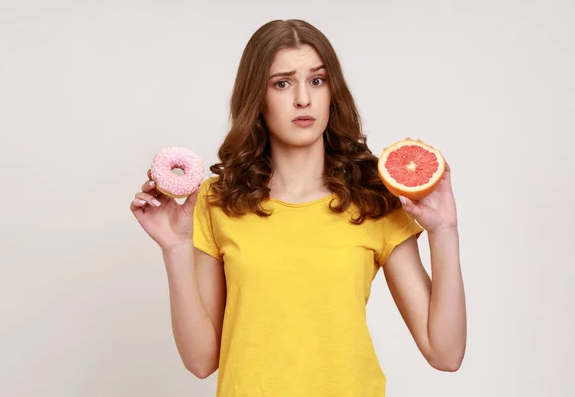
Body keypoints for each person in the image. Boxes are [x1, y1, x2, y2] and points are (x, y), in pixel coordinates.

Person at [130, 19, 466, 397]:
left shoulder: (373, 198)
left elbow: (446, 353)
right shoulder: (217, 199)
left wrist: (444, 232)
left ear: (332, 93)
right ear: (257, 97)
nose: (303, 98)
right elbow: (201, 362)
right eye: (283, 83)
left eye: (317, 81)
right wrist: (175, 249)